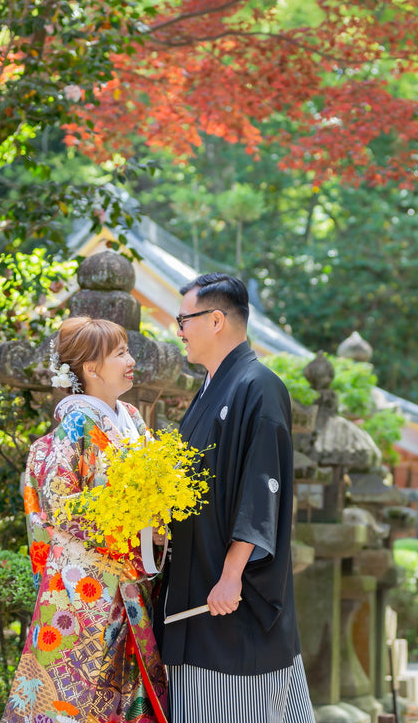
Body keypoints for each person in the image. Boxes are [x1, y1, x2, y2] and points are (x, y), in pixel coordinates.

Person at [159, 273, 315, 723]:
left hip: (232, 594)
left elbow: (261, 487)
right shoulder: (209, 389)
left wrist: (231, 575)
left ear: (215, 320)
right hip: (195, 587)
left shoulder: (259, 386)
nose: (179, 330)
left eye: (183, 319)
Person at [3, 316, 169, 723]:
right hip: (84, 590)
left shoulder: (130, 416)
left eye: (127, 350)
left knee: (125, 697)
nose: (131, 360)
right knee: (73, 701)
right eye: (120, 354)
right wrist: (128, 515)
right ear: (91, 369)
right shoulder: (76, 424)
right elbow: (59, 506)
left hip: (131, 581)